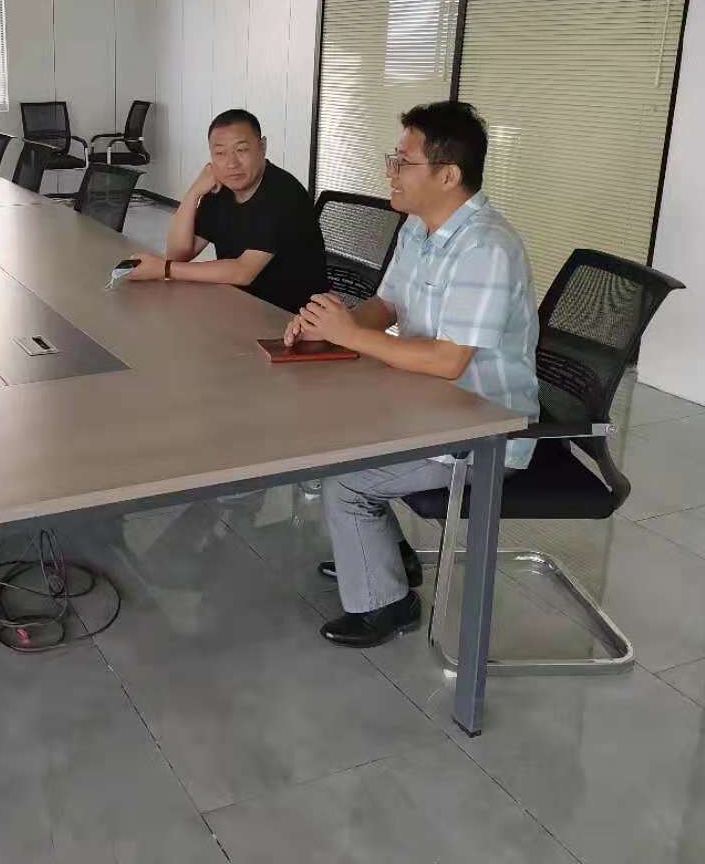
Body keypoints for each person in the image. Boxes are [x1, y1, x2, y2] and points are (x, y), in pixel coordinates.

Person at [284, 101, 539, 648]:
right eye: (392, 159)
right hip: (426, 404)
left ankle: (387, 605)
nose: (390, 172)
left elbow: (449, 361)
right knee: (325, 431)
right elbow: (387, 305)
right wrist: (331, 326)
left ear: (448, 175)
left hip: (480, 429)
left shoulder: (485, 248)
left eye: (403, 162)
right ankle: (385, 555)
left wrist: (350, 336)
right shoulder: (419, 229)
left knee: (346, 480)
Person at [125, 108, 328, 313]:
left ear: (262, 147)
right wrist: (194, 192)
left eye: (241, 150)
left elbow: (243, 271)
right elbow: (178, 254)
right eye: (220, 153)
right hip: (239, 302)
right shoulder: (221, 190)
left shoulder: (283, 194)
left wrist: (164, 269)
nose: (232, 164)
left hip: (292, 315)